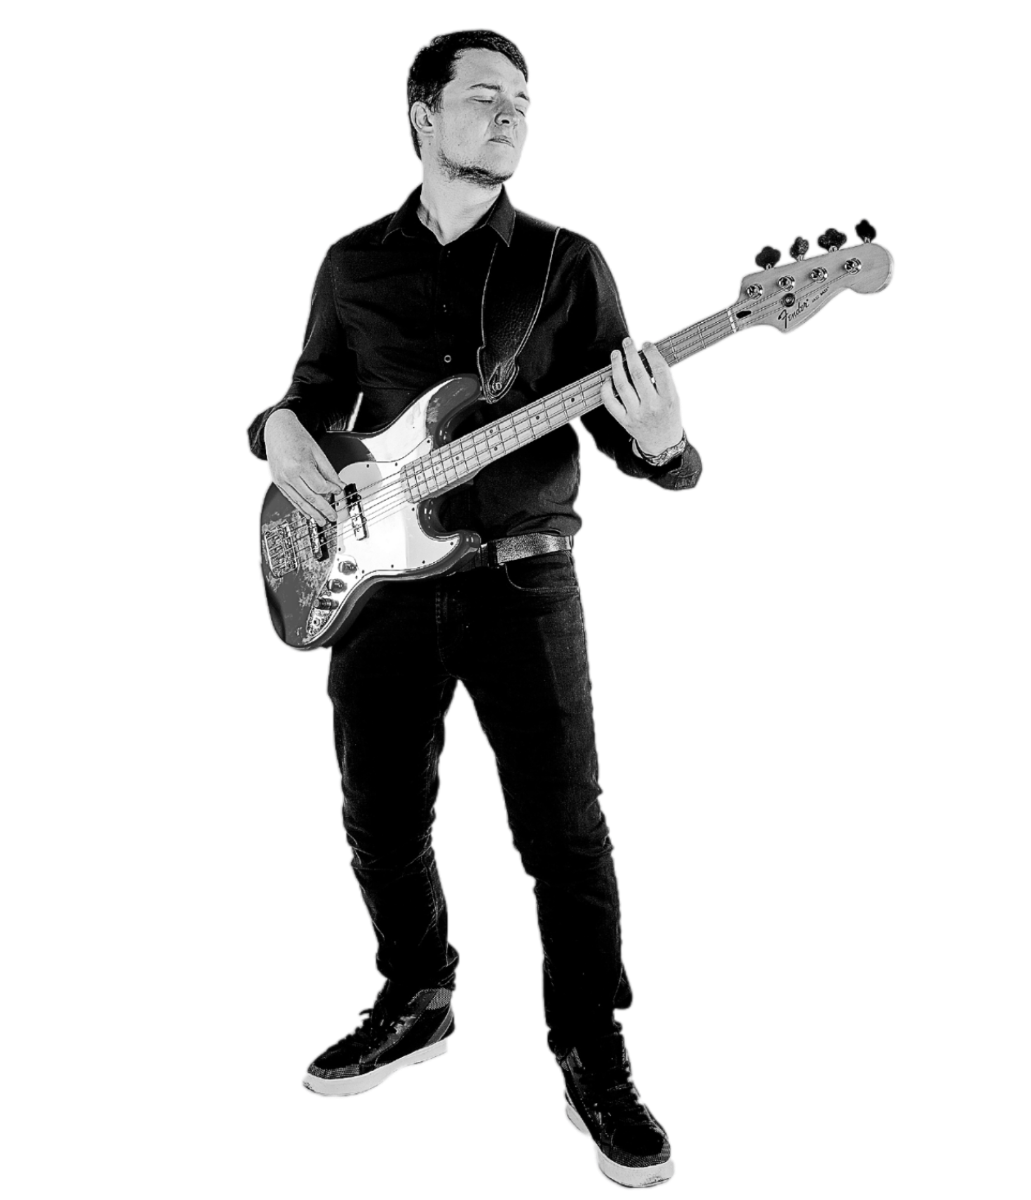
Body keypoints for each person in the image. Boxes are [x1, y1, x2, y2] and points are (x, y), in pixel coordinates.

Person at [245, 28, 696, 1189]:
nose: (512, 116)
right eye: (487, 95)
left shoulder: (564, 261)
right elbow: (309, 397)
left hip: (524, 581)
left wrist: (664, 443)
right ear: (421, 115)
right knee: (377, 817)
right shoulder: (350, 261)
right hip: (378, 587)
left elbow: (628, 424)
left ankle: (594, 1061)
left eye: (526, 104)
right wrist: (274, 428)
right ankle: (415, 1001)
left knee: (566, 837)